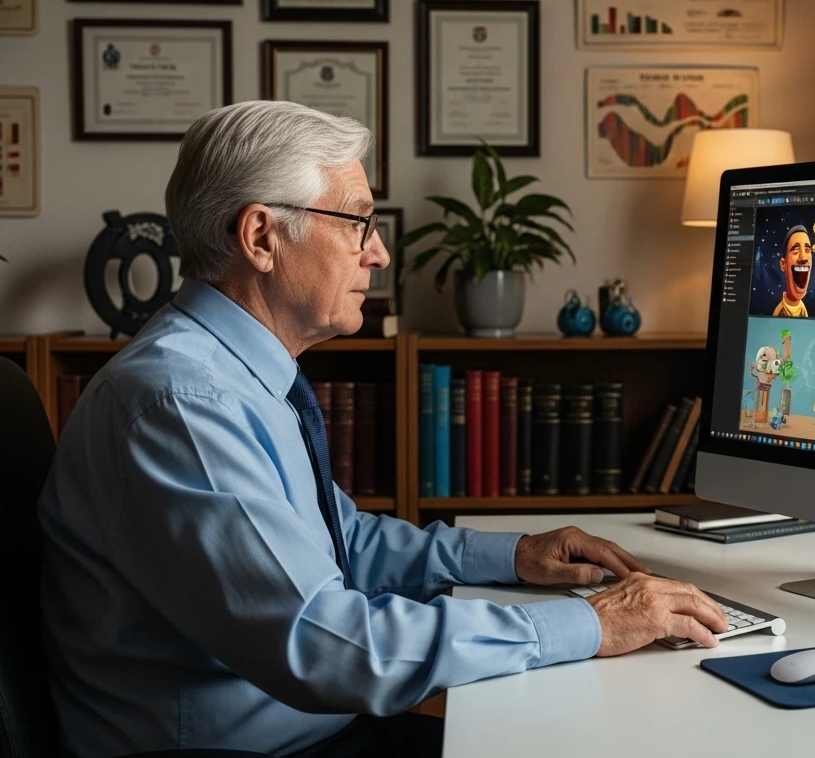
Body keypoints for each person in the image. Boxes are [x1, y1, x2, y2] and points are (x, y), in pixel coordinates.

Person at [38, 101, 729, 758]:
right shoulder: (183, 405)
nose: (379, 256)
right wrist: (593, 623)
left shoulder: (229, 376)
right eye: (357, 224)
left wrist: (515, 556)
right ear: (260, 237)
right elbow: (329, 645)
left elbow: (343, 544)